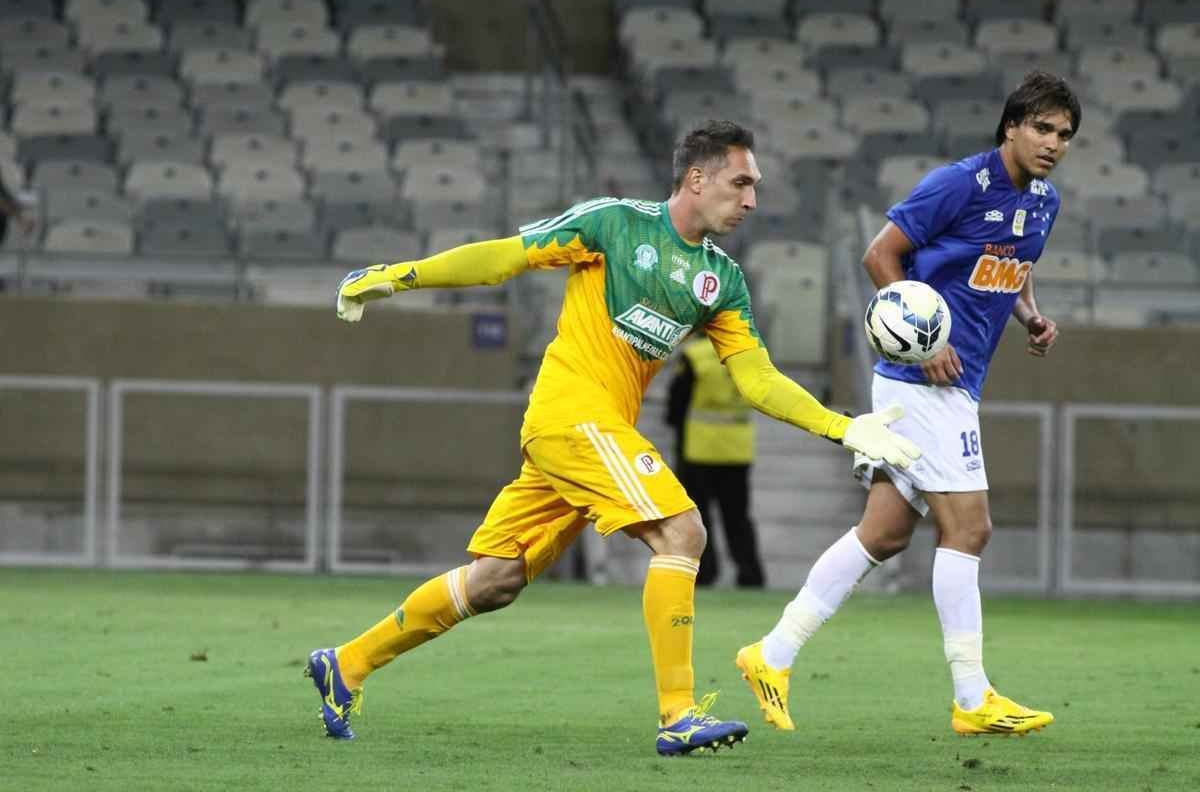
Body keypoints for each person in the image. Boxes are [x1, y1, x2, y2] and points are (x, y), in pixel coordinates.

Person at [308, 120, 919, 756]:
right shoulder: (614, 225)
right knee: (683, 532)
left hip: (594, 435)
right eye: (741, 183)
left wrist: (844, 426)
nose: (751, 201)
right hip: (570, 415)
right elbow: (502, 257)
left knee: (497, 580)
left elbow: (757, 380)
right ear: (696, 178)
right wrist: (399, 276)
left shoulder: (720, 280)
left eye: (755, 187)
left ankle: (345, 664)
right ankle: (678, 714)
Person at [737, 71, 1079, 737]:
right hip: (923, 380)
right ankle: (972, 697)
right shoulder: (959, 183)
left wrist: (1032, 316)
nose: (1053, 142)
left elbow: (1014, 262)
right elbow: (880, 256)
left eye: (1064, 134)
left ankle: (769, 656)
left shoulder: (1043, 202)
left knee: (885, 533)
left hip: (960, 382)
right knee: (970, 530)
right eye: (1042, 127)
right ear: (1010, 126)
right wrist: (923, 349)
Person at [665, 334, 764, 587]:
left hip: (699, 449)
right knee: (738, 517)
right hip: (737, 449)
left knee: (700, 516)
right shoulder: (748, 351)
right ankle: (750, 574)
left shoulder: (694, 355)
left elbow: (676, 407)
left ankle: (705, 572)